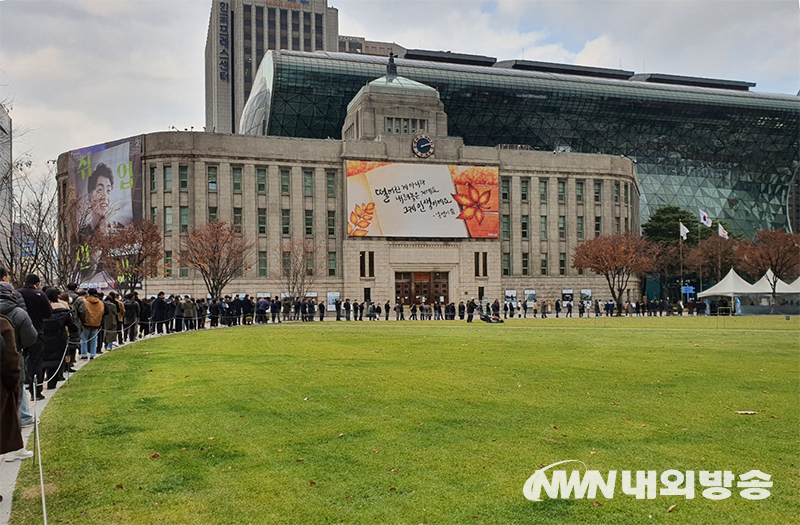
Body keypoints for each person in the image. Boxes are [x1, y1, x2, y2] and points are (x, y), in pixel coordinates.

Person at [1, 294, 38, 463]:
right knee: (14, 402)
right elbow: (10, 361)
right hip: (5, 379)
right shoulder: (11, 317)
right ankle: (13, 447)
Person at [16, 274, 52, 401]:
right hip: (36, 331)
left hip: (18, 332)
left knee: (20, 360)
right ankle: (36, 391)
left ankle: (23, 385)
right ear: (36, 284)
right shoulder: (40, 295)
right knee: (36, 362)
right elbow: (48, 313)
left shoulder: (16, 293)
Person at [41, 287, 78, 390]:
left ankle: (38, 385)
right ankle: (52, 383)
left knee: (42, 361)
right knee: (55, 361)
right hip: (59, 338)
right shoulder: (63, 309)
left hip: (43, 338)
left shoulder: (41, 309)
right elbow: (73, 326)